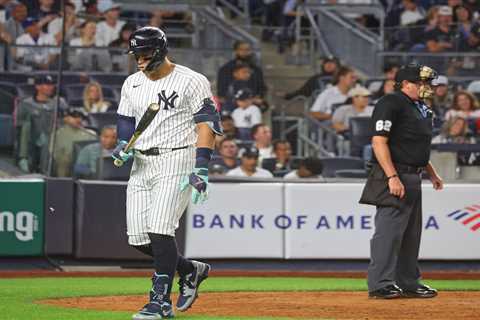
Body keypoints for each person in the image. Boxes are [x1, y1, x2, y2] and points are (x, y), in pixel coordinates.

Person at [111, 27, 222, 319]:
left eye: (144, 53)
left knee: (160, 229)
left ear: (160, 50)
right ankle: (190, 270)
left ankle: (159, 302)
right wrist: (123, 144)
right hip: (142, 164)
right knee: (138, 238)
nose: (139, 59)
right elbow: (125, 119)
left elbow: (207, 124)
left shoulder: (191, 80)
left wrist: (201, 166)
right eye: (136, 54)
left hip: (178, 160)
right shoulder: (132, 83)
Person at [360, 63, 443, 299]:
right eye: (422, 83)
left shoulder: (421, 108)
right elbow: (379, 141)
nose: (427, 87)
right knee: (389, 232)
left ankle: (408, 282)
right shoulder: (391, 102)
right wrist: (392, 176)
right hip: (394, 174)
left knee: (410, 234)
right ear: (406, 84)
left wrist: (431, 172)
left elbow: (416, 146)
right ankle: (380, 283)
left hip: (413, 175)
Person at [16, 75, 68, 174]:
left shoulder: (59, 102)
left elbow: (65, 120)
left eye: (52, 85)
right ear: (38, 86)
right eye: (47, 85)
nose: (51, 87)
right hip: (31, 142)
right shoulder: (26, 103)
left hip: (53, 142)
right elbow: (19, 126)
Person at [217, 40, 266, 104]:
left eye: (247, 49)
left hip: (252, 104)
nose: (244, 52)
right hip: (231, 104)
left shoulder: (256, 70)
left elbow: (261, 88)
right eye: (241, 49)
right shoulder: (226, 69)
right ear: (236, 51)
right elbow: (221, 90)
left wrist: (257, 98)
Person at [53, 108, 97, 177]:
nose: (78, 119)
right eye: (74, 117)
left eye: (80, 117)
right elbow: (54, 154)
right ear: (66, 118)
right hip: (66, 164)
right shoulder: (58, 134)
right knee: (63, 162)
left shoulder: (91, 134)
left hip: (84, 163)